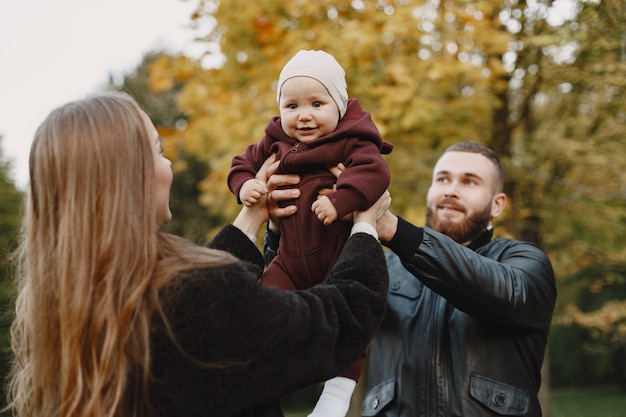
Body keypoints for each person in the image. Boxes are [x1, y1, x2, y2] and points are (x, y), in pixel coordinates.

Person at [6, 92, 391, 417]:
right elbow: (335, 321)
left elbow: (201, 299)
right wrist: (364, 225)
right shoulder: (194, 302)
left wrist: (254, 213)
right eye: (158, 151)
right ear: (129, 175)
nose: (169, 164)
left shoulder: (65, 307)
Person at [265, 141, 557, 417]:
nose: (451, 191)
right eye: (442, 179)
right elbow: (308, 315)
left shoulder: (524, 261)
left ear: (497, 204)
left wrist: (390, 227)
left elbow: (508, 293)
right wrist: (283, 232)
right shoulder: (381, 266)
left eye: (469, 182)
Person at [228, 50, 392, 416]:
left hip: (337, 256)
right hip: (288, 259)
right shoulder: (275, 141)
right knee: (256, 314)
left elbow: (374, 172)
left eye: (317, 103)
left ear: (338, 105)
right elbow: (242, 164)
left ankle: (335, 397)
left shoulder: (352, 139)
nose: (303, 115)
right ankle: (260, 384)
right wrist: (245, 187)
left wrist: (342, 200)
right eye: (292, 105)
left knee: (351, 326)